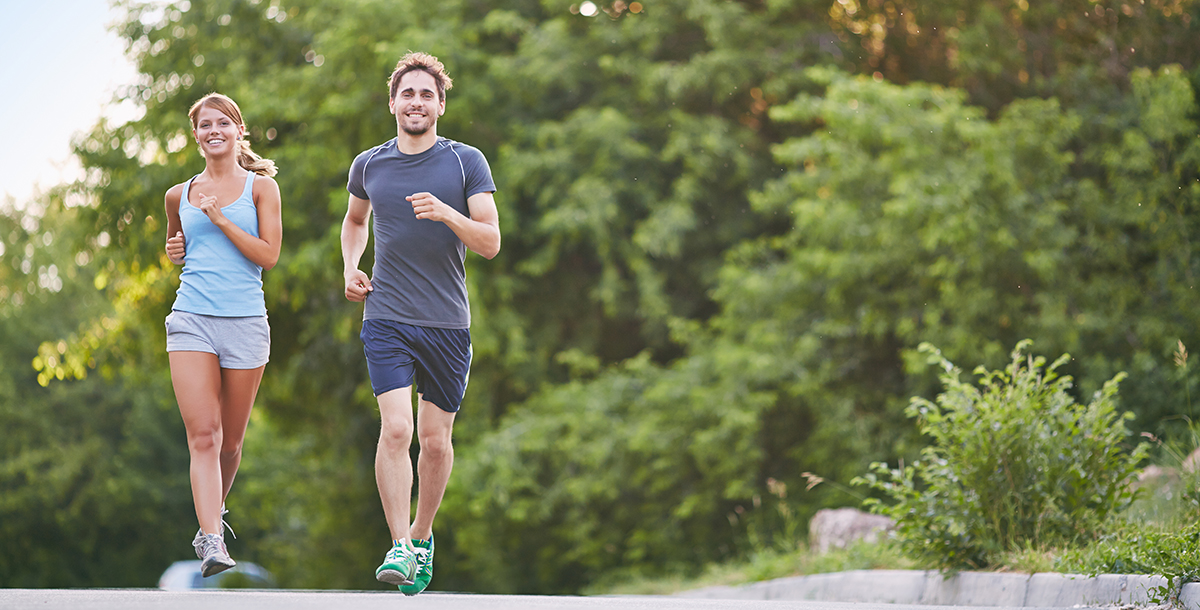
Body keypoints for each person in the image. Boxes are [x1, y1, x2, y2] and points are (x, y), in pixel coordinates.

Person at [341, 51, 500, 595]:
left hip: (448, 324)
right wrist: (350, 265)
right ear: (393, 103)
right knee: (397, 429)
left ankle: (423, 533)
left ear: (440, 105)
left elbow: (491, 242)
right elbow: (355, 220)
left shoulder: (465, 162)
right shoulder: (370, 164)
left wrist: (448, 213)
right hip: (386, 316)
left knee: (434, 442)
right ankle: (400, 547)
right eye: (407, 93)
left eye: (426, 94)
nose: (416, 102)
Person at [163, 93, 282, 578]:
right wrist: (174, 249)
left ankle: (214, 514)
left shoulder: (262, 189)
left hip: (245, 322)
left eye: (222, 123)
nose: (214, 131)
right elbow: (176, 244)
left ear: (238, 129)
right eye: (205, 125)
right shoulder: (179, 194)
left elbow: (268, 255)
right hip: (191, 317)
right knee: (204, 436)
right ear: (196, 136)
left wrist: (219, 219)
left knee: (231, 443)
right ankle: (211, 537)